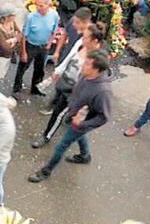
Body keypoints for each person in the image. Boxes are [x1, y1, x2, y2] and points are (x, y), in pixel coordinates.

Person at [28, 50, 112, 183]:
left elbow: (104, 117)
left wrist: (82, 124)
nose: (82, 65)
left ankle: (46, 171)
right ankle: (85, 156)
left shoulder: (103, 91)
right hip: (73, 114)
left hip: (81, 122)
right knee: (79, 135)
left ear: (96, 70)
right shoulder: (86, 75)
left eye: (87, 64)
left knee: (61, 146)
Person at [32, 23, 104, 149]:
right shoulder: (81, 43)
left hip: (77, 92)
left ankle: (46, 136)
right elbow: (70, 57)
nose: (83, 38)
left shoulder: (98, 57)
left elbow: (96, 78)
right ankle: (84, 152)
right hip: (66, 82)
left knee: (59, 114)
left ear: (95, 41)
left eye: (86, 37)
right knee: (72, 122)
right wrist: (58, 71)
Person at [13, 0, 59, 97]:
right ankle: (17, 88)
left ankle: (35, 88)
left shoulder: (54, 15)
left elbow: (54, 30)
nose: (38, 7)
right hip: (30, 45)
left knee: (40, 69)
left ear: (49, 4)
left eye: (41, 5)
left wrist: (49, 42)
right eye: (37, 4)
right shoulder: (31, 17)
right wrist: (23, 52)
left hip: (43, 47)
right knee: (23, 67)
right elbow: (24, 35)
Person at [0, 3, 21, 92]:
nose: (15, 16)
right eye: (13, 15)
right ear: (6, 17)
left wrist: (12, 41)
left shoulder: (12, 23)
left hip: (6, 58)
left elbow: (20, 34)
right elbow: (5, 47)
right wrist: (15, 40)